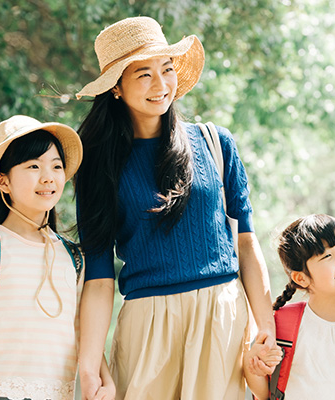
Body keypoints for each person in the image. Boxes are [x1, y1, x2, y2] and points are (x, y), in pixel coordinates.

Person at [73, 16, 277, 400]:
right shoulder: (98, 166)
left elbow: (246, 242)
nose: (160, 84)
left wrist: (264, 323)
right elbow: (99, 275)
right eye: (143, 74)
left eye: (166, 70)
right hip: (148, 323)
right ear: (116, 88)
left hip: (222, 314)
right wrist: (89, 360)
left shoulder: (215, 143)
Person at [0, 115, 115, 400]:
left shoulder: (74, 257)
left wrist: (106, 380)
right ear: (3, 181)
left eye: (56, 166)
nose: (48, 177)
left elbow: (85, 332)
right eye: (33, 166)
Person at [244, 214, 335, 399]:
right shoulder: (280, 325)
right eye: (327, 255)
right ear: (300, 278)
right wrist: (252, 364)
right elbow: (264, 394)